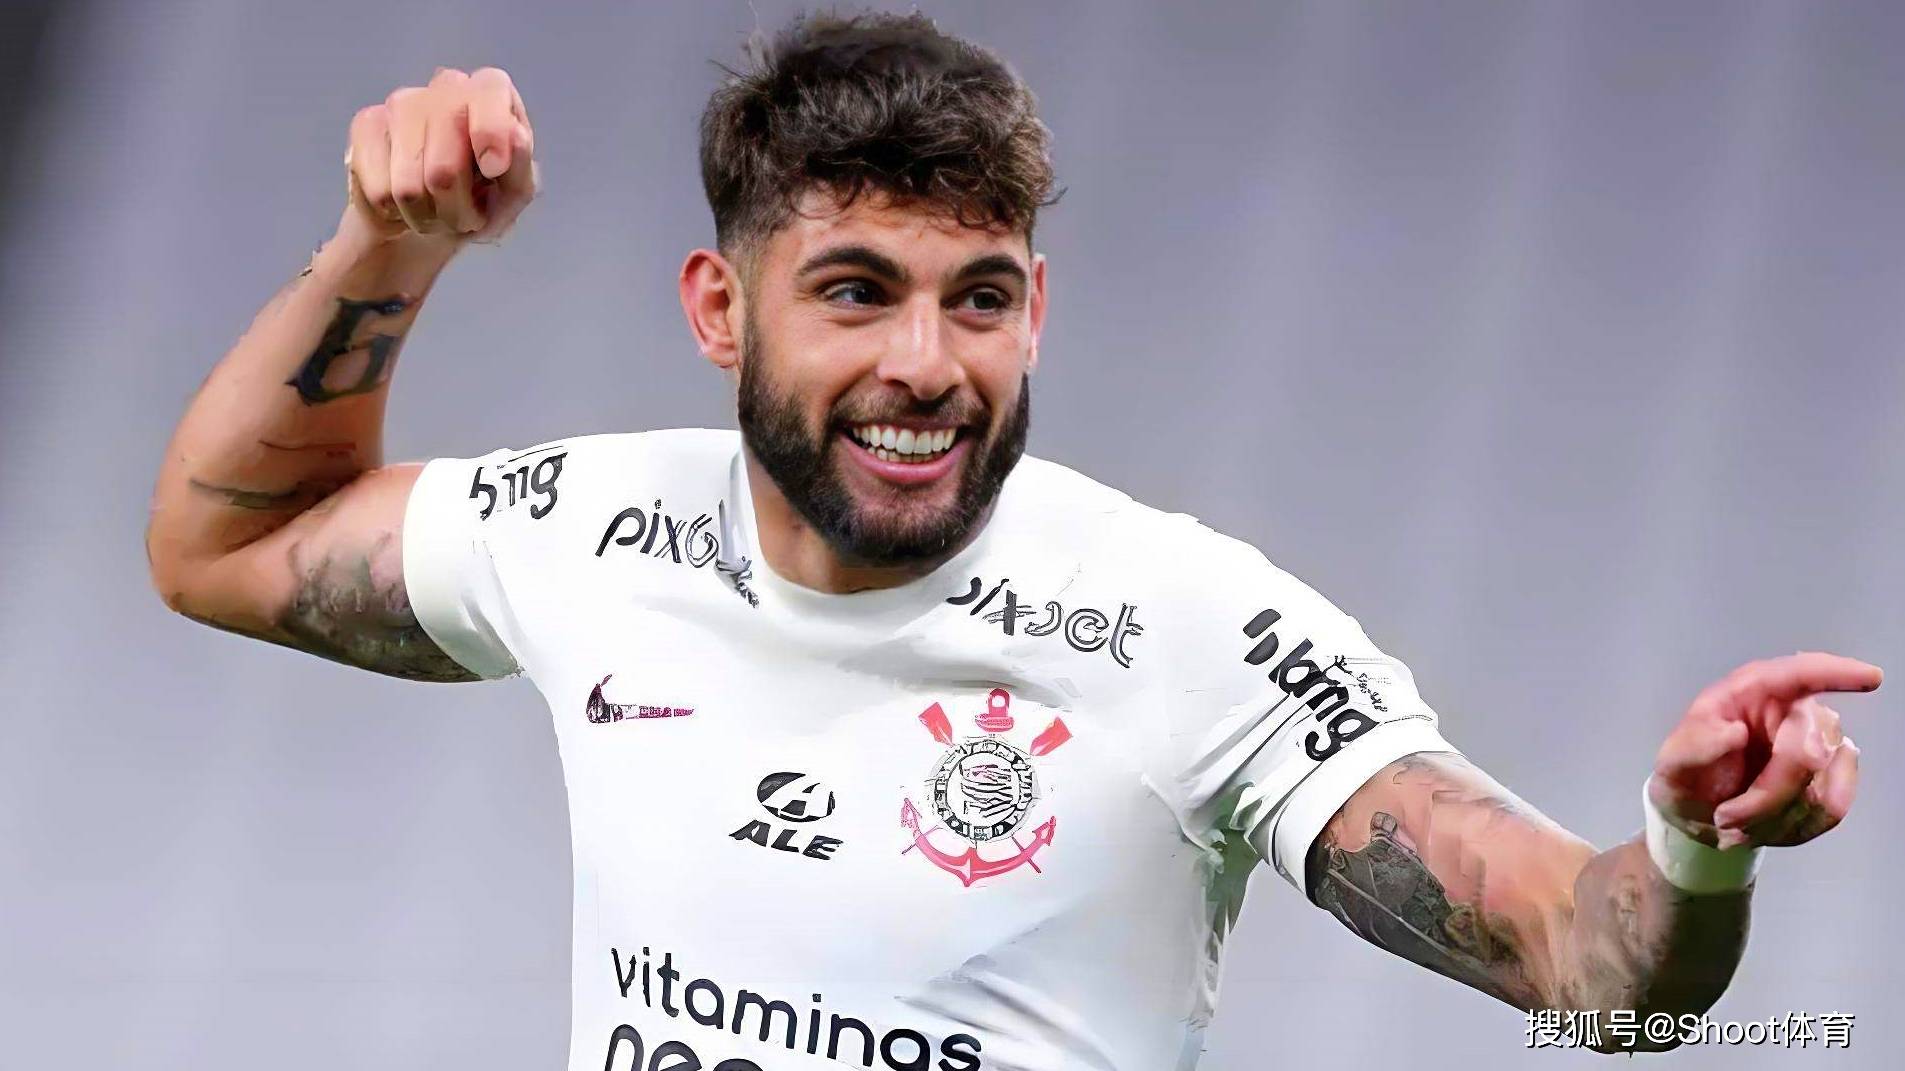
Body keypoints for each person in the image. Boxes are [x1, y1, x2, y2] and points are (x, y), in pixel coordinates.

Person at [145, 11, 1880, 1071]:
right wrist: (387, 242)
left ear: (1034, 311)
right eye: (853, 292)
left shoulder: (1185, 625)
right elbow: (228, 543)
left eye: (977, 298)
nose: (926, 363)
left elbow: (1597, 977)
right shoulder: (594, 531)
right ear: (718, 312)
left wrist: (1690, 842)